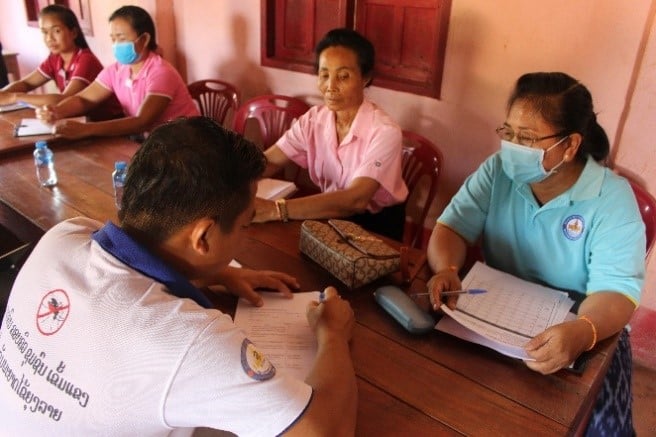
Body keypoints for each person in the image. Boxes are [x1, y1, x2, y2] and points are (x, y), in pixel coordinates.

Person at [0, 116, 357, 435]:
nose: (244, 235)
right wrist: (333, 334)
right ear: (203, 237)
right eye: (245, 225)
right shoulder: (188, 339)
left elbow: (133, 255)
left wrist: (216, 274)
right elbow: (325, 431)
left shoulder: (64, 236)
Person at [427, 72, 645, 436]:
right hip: (495, 311)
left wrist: (583, 332)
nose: (512, 147)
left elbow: (617, 291)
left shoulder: (612, 200)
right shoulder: (497, 171)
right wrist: (446, 267)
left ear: (570, 145)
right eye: (508, 133)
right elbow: (452, 227)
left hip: (584, 329)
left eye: (526, 138)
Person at [254, 28, 408, 241]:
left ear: (365, 78)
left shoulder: (385, 132)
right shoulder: (313, 120)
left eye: (343, 76)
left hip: (376, 225)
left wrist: (275, 210)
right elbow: (269, 161)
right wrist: (229, 184)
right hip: (332, 214)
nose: (330, 86)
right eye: (324, 75)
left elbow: (356, 199)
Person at [36, 5, 199, 140]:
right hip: (153, 142)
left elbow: (142, 121)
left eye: (121, 39)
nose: (115, 45)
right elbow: (84, 99)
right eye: (113, 39)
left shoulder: (161, 72)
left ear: (144, 39)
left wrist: (87, 129)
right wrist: (56, 111)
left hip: (185, 143)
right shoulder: (117, 70)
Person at [0, 5, 122, 120]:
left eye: (56, 31)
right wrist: (3, 94)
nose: (49, 38)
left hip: (104, 122)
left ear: (73, 33)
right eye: (44, 32)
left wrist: (15, 97)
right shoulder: (55, 58)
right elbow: (26, 83)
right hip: (79, 120)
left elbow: (64, 100)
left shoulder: (86, 60)